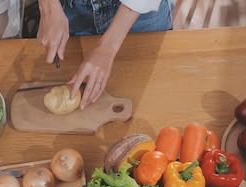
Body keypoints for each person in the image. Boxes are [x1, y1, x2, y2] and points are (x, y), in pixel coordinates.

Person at [37, 0, 174, 109]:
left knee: (152, 103)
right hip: (69, 10)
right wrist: (48, 5)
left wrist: (108, 47)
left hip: (136, 13)